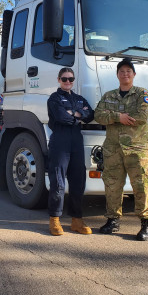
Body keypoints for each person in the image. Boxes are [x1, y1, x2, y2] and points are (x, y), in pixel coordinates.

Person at [94, 58, 148, 241]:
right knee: (112, 185)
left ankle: (146, 223)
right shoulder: (108, 96)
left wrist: (113, 117)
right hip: (113, 150)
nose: (125, 74)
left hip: (137, 150)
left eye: (129, 71)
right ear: (117, 75)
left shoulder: (142, 94)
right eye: (122, 71)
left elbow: (143, 115)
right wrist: (117, 117)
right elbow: (98, 115)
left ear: (134, 75)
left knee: (142, 185)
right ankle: (112, 220)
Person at [47, 67, 94, 236]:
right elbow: (61, 117)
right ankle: (55, 220)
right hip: (60, 141)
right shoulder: (54, 98)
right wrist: (78, 115)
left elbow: (90, 115)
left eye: (71, 79)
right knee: (58, 181)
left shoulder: (79, 99)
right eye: (65, 79)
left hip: (76, 141)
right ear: (59, 80)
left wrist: (74, 113)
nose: (68, 82)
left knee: (78, 181)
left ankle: (77, 220)